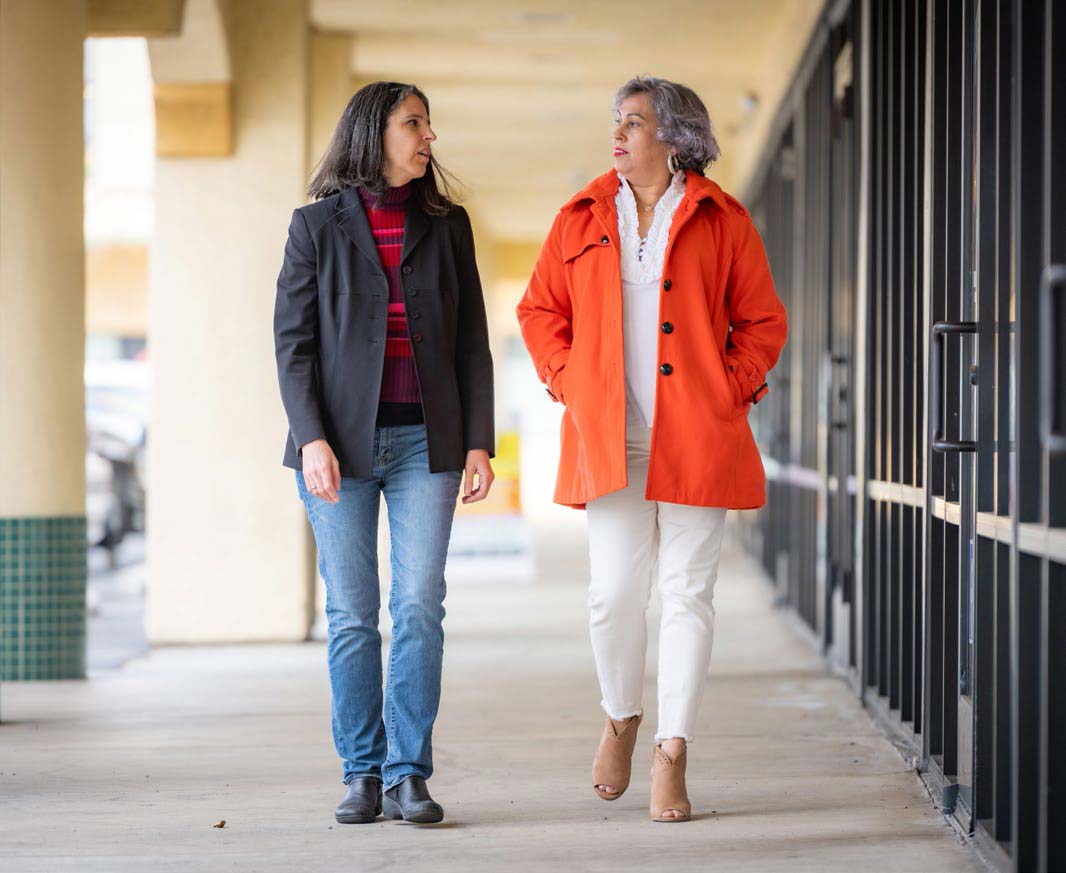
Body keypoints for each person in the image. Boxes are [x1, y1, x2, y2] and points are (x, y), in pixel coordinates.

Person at [516, 75, 787, 823]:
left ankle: (673, 750)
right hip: (610, 435)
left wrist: (727, 389)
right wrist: (567, 379)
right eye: (616, 121)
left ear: (675, 138)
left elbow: (762, 321)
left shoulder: (723, 219)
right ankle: (620, 716)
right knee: (611, 593)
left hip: (698, 433)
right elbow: (540, 309)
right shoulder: (579, 217)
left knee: (687, 593)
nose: (619, 133)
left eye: (634, 123)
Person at [274, 81, 495, 825]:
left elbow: (472, 343)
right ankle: (362, 770)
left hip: (427, 443)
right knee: (351, 612)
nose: (429, 135)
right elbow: (293, 344)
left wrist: (477, 441)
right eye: (414, 122)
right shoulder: (315, 227)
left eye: (429, 123)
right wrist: (310, 438)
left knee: (419, 603)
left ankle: (409, 773)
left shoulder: (448, 225)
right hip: (337, 444)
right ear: (374, 133)